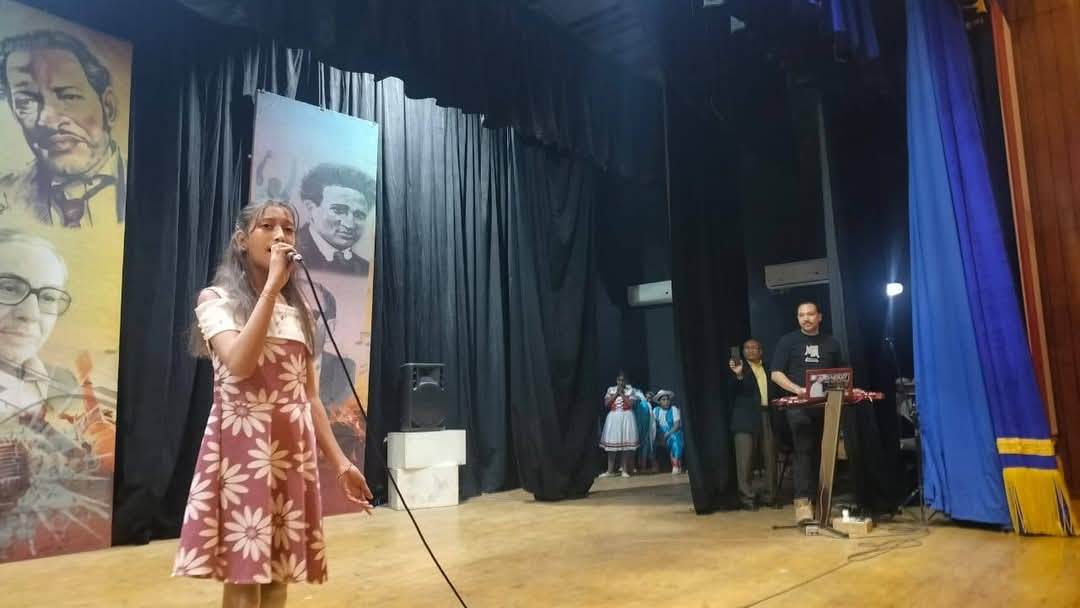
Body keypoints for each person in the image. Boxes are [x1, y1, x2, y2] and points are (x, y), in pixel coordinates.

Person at [173, 201, 373, 608]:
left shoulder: (301, 312)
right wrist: (270, 290)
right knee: (245, 575)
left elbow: (309, 396)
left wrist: (341, 464)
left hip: (289, 450)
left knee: (280, 570)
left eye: (289, 228)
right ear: (242, 240)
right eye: (267, 226)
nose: (280, 235)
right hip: (242, 449)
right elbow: (240, 363)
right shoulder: (216, 299)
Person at [0, 30, 125, 227]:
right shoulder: (5, 194)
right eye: (26, 102)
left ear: (108, 107)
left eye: (69, 96)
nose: (47, 121)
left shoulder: (153, 188)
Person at [770, 301, 846, 524]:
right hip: (798, 407)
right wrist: (798, 390)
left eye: (810, 314)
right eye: (801, 315)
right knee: (804, 451)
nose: (806, 318)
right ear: (797, 318)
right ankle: (803, 504)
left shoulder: (832, 343)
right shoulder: (787, 341)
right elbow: (775, 374)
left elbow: (842, 373)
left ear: (819, 317)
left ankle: (823, 503)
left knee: (825, 454)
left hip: (826, 407)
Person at [295, 163, 374, 276]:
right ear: (311, 208)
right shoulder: (288, 254)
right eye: (338, 210)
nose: (350, 225)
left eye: (359, 215)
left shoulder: (366, 269)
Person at [728, 339, 776, 510]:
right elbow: (731, 390)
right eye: (746, 348)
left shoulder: (769, 368)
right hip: (745, 418)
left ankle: (770, 496)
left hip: (767, 415)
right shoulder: (738, 368)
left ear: (761, 351)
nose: (750, 350)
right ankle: (747, 498)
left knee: (770, 458)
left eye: (754, 347)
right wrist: (739, 374)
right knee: (745, 460)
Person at [598, 371, 639, 478]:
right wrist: (616, 393)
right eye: (619, 380)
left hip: (626, 417)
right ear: (616, 380)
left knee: (625, 446)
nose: (621, 382)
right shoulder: (611, 389)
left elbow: (631, 404)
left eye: (623, 380)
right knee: (612, 446)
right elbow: (606, 404)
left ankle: (624, 470)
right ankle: (610, 471)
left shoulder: (631, 390)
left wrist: (622, 394)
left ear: (626, 381)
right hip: (614, 418)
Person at [651, 390, 684, 474]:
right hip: (660, 433)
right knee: (651, 442)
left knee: (674, 439)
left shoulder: (673, 409)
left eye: (667, 399)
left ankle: (676, 465)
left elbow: (676, 426)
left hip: (672, 431)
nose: (666, 402)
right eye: (664, 400)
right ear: (659, 402)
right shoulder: (655, 410)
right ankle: (655, 465)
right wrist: (658, 435)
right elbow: (654, 425)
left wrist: (667, 434)